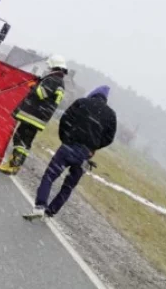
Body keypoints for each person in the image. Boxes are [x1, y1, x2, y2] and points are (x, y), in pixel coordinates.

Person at [25, 85, 116, 221]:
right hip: (85, 155)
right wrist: (93, 147)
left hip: (68, 147)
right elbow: (109, 138)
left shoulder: (81, 102)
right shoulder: (110, 115)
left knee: (49, 176)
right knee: (68, 186)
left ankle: (40, 206)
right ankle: (51, 211)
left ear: (93, 93)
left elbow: (64, 119)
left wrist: (65, 138)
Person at [0, 55, 68, 174]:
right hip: (38, 118)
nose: (49, 68)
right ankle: (15, 165)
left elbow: (42, 93)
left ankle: (12, 165)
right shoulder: (60, 81)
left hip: (33, 116)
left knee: (20, 139)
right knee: (25, 142)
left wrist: (34, 86)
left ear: (54, 65)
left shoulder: (54, 79)